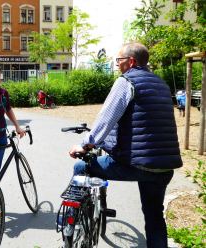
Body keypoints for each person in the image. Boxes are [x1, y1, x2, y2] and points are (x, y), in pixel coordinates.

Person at [69, 42, 182, 248]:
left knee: (80, 166)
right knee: (154, 217)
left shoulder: (126, 81)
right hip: (164, 166)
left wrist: (85, 145)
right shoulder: (162, 84)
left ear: (131, 62)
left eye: (119, 61)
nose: (117, 65)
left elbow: (107, 118)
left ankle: (71, 219)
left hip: (134, 164)